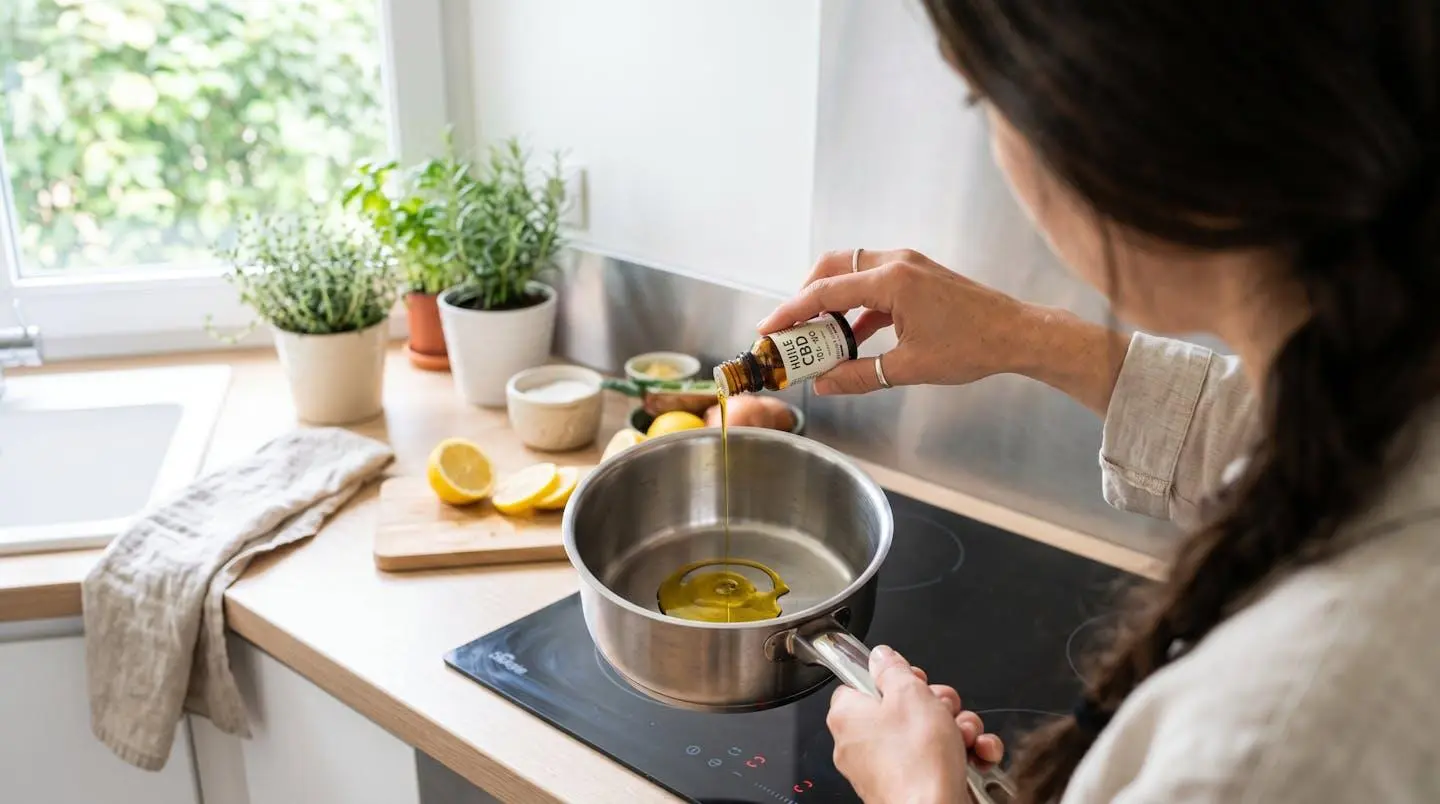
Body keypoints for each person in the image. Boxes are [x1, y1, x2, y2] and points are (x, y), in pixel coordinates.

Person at [758, 1, 1440, 802]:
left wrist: (920, 794)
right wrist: (1020, 334)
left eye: (988, 102)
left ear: (1117, 118)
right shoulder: (1394, 379)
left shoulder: (1271, 745)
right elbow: (1296, 432)